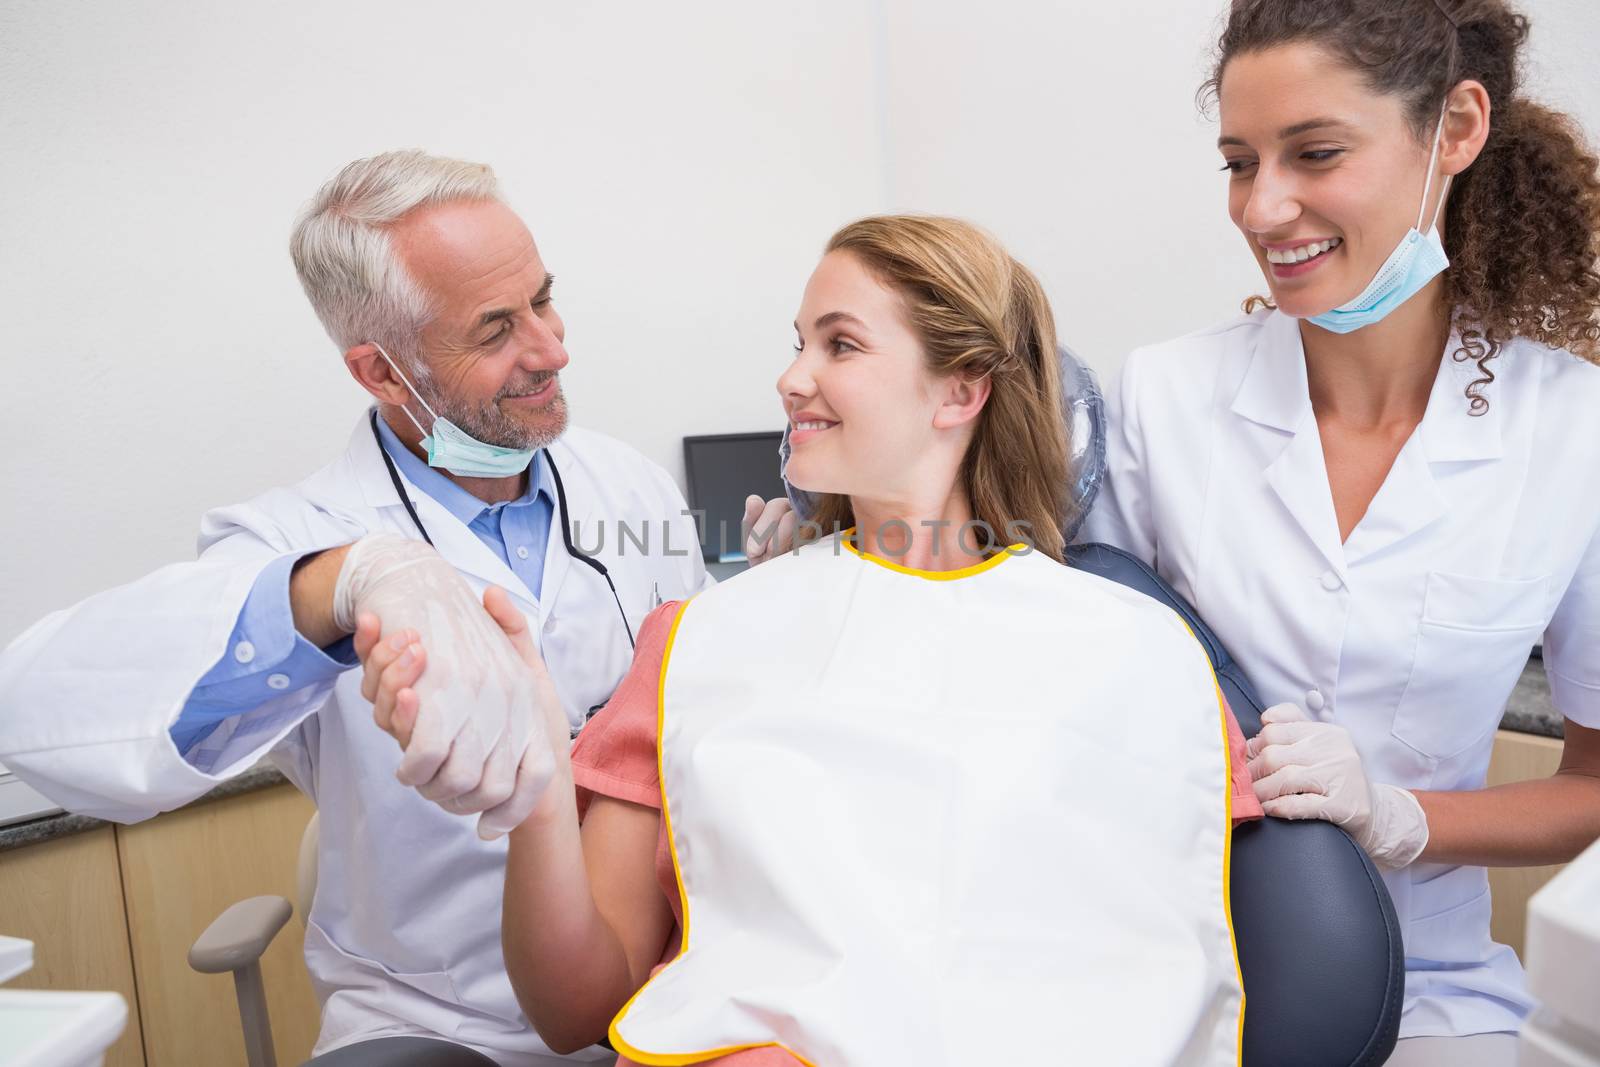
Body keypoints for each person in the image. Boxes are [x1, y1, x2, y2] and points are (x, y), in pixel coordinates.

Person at [364, 215, 1264, 1066]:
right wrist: (539, 796)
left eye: (840, 344)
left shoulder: (1139, 650)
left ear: (961, 390)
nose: (793, 378)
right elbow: (573, 1013)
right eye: (798, 342)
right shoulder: (696, 646)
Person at [0, 150, 783, 1066]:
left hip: (665, 987)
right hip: (439, 1021)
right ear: (381, 372)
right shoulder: (303, 535)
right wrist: (340, 583)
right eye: (496, 330)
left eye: (543, 298)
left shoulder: (631, 490)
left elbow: (695, 736)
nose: (551, 348)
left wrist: (767, 609)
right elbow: (35, 706)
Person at [1084, 2, 1600, 1063]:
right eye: (1238, 162)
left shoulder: (1572, 433)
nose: (1263, 206)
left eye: (1314, 153)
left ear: (1455, 130)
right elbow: (1084, 693)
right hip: (1166, 961)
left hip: (1433, 990)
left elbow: (1586, 789)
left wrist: (1400, 814)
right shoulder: (1162, 398)